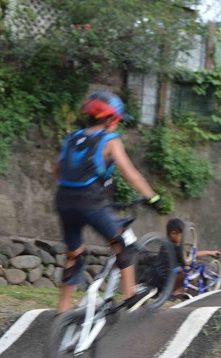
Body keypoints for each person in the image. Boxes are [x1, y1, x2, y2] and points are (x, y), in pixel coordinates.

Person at [54, 90, 162, 313]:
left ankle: (62, 308)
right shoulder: (109, 140)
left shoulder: (71, 137)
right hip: (91, 203)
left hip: (64, 201)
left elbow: (57, 171)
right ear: (111, 118)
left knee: (74, 252)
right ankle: (130, 294)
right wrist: (153, 197)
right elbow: (130, 174)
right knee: (120, 243)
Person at [165, 217, 221, 298]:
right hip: (166, 275)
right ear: (173, 234)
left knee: (192, 275)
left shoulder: (171, 245)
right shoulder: (171, 246)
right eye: (181, 236)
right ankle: (174, 294)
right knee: (188, 271)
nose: (182, 239)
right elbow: (191, 255)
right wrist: (209, 252)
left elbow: (190, 255)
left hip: (168, 274)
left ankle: (175, 293)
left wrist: (209, 252)